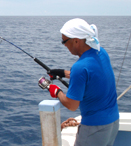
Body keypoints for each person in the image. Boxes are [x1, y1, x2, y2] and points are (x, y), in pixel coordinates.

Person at [41, 18, 119, 146]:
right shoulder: (101, 52)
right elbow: (91, 76)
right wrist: (62, 73)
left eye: (64, 41)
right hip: (113, 122)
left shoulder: (79, 67)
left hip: (94, 128)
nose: (64, 45)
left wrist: (56, 91)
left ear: (76, 41)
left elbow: (72, 105)